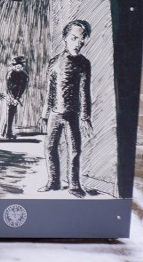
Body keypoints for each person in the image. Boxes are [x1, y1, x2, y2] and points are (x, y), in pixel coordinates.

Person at [39, 20, 93, 198]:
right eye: (74, 38)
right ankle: (53, 182)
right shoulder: (54, 62)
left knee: (74, 150)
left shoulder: (83, 63)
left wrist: (85, 117)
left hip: (72, 114)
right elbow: (49, 90)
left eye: (82, 38)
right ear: (65, 38)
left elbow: (85, 92)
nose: (79, 42)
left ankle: (74, 185)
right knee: (49, 148)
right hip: (55, 112)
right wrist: (44, 114)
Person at [1, 55, 29, 140]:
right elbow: (8, 87)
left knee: (11, 113)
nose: (19, 68)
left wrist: (18, 98)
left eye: (20, 66)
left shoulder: (24, 76)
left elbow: (23, 88)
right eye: (17, 66)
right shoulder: (10, 74)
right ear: (14, 66)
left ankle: (5, 132)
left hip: (17, 97)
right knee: (10, 113)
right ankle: (8, 134)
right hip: (10, 96)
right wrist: (12, 97)